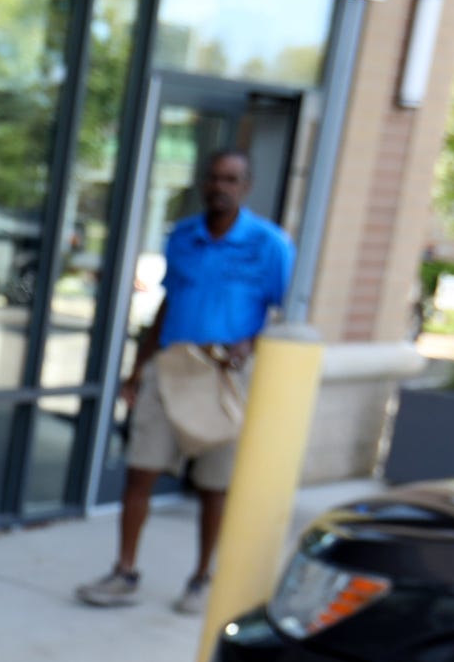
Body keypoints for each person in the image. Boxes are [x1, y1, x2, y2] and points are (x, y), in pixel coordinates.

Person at [78, 147, 293, 615]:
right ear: (204, 183)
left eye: (231, 179)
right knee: (141, 470)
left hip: (222, 378)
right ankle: (124, 571)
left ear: (246, 186)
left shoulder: (269, 244)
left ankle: (200, 578)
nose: (221, 186)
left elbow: (286, 315)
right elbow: (166, 305)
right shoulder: (183, 237)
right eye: (214, 178)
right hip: (172, 368)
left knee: (214, 484)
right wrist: (138, 369)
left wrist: (250, 344)